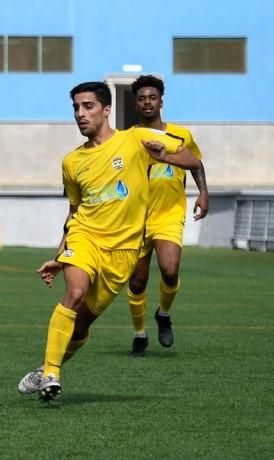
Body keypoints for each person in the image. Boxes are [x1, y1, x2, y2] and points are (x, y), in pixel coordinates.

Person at [17, 81, 201, 403]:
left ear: (106, 109)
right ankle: (52, 375)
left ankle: (48, 365)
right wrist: (60, 257)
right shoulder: (71, 163)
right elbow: (74, 212)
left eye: (87, 106)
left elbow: (192, 159)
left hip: (124, 252)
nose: (80, 114)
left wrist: (166, 157)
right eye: (75, 108)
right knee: (74, 293)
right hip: (85, 238)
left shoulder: (136, 139)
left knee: (82, 325)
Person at [126, 75, 209, 357]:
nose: (147, 102)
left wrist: (203, 193)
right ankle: (139, 334)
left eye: (152, 97)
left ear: (161, 101)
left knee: (170, 270)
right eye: (141, 98)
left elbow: (195, 163)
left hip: (169, 214)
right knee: (137, 282)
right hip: (135, 220)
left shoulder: (180, 135)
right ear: (135, 103)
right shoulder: (129, 139)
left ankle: (164, 314)